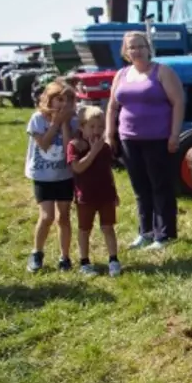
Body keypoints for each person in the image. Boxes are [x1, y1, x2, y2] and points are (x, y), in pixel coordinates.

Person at [104, 31, 185, 250]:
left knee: (160, 186)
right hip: (129, 139)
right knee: (140, 187)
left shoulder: (162, 72)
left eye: (140, 46)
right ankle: (145, 232)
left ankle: (165, 234)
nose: (136, 51)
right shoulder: (121, 75)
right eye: (131, 47)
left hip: (159, 138)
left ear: (148, 48)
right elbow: (112, 107)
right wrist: (109, 133)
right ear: (125, 51)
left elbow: (178, 103)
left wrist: (174, 135)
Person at [25, 81, 78, 272]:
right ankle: (37, 253)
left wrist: (64, 125)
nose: (63, 105)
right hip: (42, 175)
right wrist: (55, 123)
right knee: (47, 216)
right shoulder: (38, 119)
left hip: (64, 175)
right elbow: (44, 144)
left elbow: (67, 150)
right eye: (59, 100)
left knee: (64, 217)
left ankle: (65, 257)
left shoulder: (73, 121)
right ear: (49, 99)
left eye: (68, 100)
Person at [68, 105, 121, 277]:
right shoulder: (74, 146)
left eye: (100, 127)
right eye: (91, 127)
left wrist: (114, 193)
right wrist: (93, 151)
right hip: (85, 196)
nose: (96, 131)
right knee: (84, 229)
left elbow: (107, 171)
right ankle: (84, 261)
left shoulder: (104, 148)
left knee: (108, 227)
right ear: (81, 127)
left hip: (105, 194)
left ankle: (113, 259)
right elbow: (77, 168)